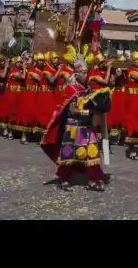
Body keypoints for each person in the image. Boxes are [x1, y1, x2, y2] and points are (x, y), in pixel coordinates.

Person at [41, 55, 108, 191]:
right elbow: (73, 110)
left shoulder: (87, 89)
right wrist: (89, 113)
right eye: (83, 73)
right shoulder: (70, 89)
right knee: (69, 154)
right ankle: (64, 179)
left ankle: (94, 178)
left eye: (86, 72)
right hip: (74, 127)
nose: (85, 75)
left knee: (92, 153)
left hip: (87, 127)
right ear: (76, 74)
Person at [6, 56, 28, 142]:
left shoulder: (21, 71)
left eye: (20, 62)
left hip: (21, 95)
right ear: (15, 64)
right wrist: (24, 67)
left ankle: (22, 135)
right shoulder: (14, 72)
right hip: (13, 95)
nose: (20, 64)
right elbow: (23, 77)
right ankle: (10, 132)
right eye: (18, 62)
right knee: (11, 114)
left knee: (22, 114)